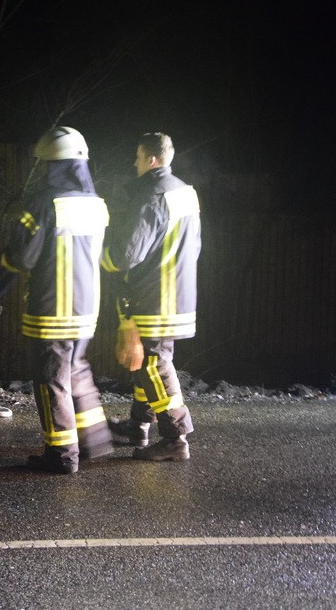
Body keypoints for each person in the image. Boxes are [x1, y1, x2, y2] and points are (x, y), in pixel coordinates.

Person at [0, 127, 112, 475]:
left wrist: (5, 258)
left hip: (52, 310)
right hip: (87, 310)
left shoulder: (45, 203)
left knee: (52, 380)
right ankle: (95, 440)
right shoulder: (97, 204)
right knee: (76, 371)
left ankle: (61, 454)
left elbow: (22, 257)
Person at [101, 132, 201, 461]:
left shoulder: (152, 194)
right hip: (177, 293)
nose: (134, 163)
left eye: (138, 156)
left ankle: (175, 437)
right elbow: (195, 247)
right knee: (148, 362)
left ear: (151, 160)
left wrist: (100, 259)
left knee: (154, 364)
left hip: (152, 296)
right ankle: (138, 424)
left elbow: (128, 254)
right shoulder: (185, 192)